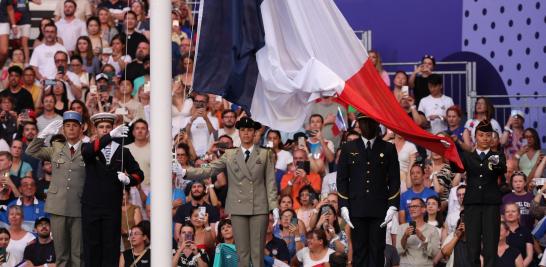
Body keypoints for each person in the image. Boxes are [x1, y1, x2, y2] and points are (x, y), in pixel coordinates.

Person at [182, 117, 278, 267]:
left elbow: (270, 182)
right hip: (238, 207)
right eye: (243, 130)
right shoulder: (230, 154)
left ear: (254, 133)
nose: (246, 133)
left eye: (250, 130)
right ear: (239, 133)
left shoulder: (265, 154)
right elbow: (209, 169)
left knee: (257, 251)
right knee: (241, 252)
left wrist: (274, 206)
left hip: (259, 206)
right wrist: (185, 172)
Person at [336, 114, 400, 266]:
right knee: (359, 251)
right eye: (363, 122)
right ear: (358, 123)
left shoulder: (388, 148)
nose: (367, 126)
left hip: (379, 209)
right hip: (356, 209)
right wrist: (344, 205)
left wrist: (392, 205)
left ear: (377, 123)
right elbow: (342, 179)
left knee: (377, 251)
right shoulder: (348, 148)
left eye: (370, 122)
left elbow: (394, 179)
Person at [81, 112, 144, 266]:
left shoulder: (123, 151)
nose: (104, 129)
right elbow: (87, 153)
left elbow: (139, 174)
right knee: (92, 247)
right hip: (91, 207)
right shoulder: (89, 147)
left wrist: (129, 180)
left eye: (108, 127)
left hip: (112, 207)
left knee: (111, 247)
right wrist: (109, 137)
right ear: (95, 130)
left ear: (113, 128)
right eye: (101, 127)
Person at [25, 111, 86, 266]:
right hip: (57, 206)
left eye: (74, 126)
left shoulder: (87, 149)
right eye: (67, 126)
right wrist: (43, 134)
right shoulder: (56, 148)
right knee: (61, 255)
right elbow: (30, 151)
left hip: (79, 206)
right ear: (63, 130)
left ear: (81, 128)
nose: (71, 129)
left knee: (78, 254)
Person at [453, 120, 507, 267]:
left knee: (490, 247)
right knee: (473, 246)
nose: (485, 138)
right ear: (475, 136)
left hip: (491, 205)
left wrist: (491, 157)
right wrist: (449, 150)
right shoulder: (467, 156)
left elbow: (502, 168)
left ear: (493, 138)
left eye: (488, 135)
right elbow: (456, 168)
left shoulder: (497, 156)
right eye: (481, 135)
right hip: (472, 205)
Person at [396, 198, 440, 267]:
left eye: (415, 206)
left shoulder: (433, 230)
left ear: (423, 209)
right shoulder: (401, 228)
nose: (411, 209)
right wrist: (405, 236)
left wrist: (423, 238)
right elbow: (398, 251)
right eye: (410, 206)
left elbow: (434, 253)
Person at [503, 202, 533, 267]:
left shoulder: (526, 231)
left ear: (519, 215)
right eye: (507, 212)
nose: (510, 214)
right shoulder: (498, 231)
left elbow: (529, 256)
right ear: (504, 215)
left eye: (513, 211)